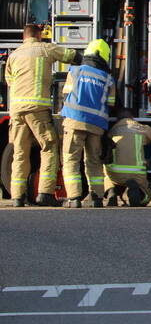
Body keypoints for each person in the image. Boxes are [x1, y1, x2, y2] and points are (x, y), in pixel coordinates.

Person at [4, 24, 81, 207]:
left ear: (24, 36)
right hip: (37, 109)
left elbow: (9, 82)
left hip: (16, 111)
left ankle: (17, 197)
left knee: (20, 153)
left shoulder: (13, 56)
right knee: (49, 147)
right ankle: (45, 193)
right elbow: (73, 56)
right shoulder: (45, 49)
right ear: (38, 35)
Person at [60, 39, 117, 208]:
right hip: (97, 125)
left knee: (71, 159)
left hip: (74, 121)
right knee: (93, 161)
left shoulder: (75, 71)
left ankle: (74, 198)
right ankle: (97, 197)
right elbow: (112, 103)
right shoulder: (108, 79)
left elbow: (65, 95)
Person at [103, 108, 151, 207]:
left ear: (117, 119)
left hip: (114, 174)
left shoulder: (112, 131)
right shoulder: (141, 128)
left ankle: (110, 192)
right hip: (137, 174)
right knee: (146, 198)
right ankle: (139, 195)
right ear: (132, 118)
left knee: (104, 170)